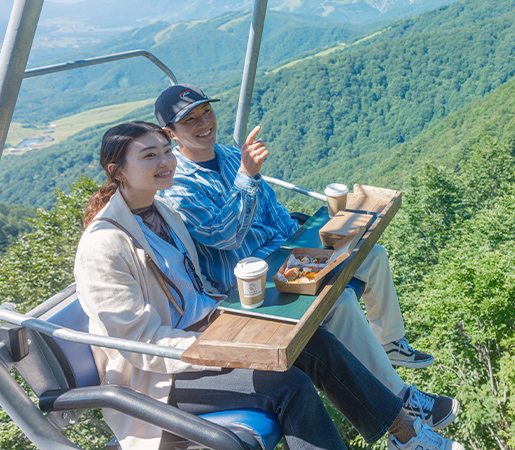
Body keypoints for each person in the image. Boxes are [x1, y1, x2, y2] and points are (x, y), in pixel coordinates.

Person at [74, 121, 464, 450]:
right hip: (163, 377)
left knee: (316, 342)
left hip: (206, 333)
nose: (164, 161)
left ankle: (407, 434)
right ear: (118, 170)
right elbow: (137, 342)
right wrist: (218, 348)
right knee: (287, 383)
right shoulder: (104, 244)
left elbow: (193, 288)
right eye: (148, 155)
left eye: (165, 151)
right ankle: (407, 431)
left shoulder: (162, 209)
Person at [154, 83, 459, 429]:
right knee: (339, 302)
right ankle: (401, 399)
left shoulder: (227, 155)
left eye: (206, 111)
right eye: (189, 119)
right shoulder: (176, 184)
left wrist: (304, 244)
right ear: (171, 133)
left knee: (372, 255)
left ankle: (389, 344)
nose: (203, 122)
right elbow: (224, 236)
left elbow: (270, 207)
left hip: (284, 257)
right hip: (251, 283)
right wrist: (247, 176)